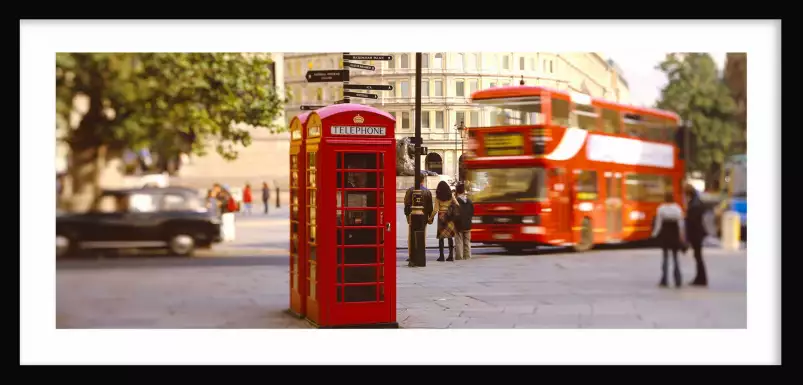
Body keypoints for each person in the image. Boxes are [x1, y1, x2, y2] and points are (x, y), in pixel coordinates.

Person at [651, 192, 686, 288]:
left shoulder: (661, 208)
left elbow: (658, 223)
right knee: (675, 258)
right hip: (674, 234)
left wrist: (654, 234)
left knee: (665, 258)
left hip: (665, 234)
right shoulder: (677, 208)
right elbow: (681, 224)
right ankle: (678, 279)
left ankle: (664, 279)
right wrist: (682, 236)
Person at [403, 174, 434, 265]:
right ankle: (421, 253)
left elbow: (407, 204)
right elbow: (429, 207)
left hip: (412, 216)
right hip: (423, 217)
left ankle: (411, 254)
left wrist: (407, 216)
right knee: (422, 236)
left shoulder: (410, 190)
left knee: (411, 236)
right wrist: (430, 218)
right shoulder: (427, 192)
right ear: (423, 180)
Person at [685, 184, 709, 286]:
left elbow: (693, 221)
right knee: (698, 256)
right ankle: (700, 277)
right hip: (698, 233)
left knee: (698, 257)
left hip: (696, 234)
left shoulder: (694, 205)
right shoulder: (697, 202)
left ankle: (701, 279)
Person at [431, 181, 459, 262]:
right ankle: (450, 256)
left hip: (441, 217)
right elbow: (457, 205)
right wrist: (450, 209)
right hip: (449, 216)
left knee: (441, 237)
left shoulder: (438, 197)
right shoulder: (451, 195)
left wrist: (430, 218)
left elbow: (435, 209)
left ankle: (441, 256)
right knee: (450, 237)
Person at [454, 182, 474, 260]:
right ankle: (467, 256)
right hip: (468, 224)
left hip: (459, 224)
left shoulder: (456, 201)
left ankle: (459, 257)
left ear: (457, 191)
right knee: (467, 242)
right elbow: (472, 212)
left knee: (459, 241)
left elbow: (454, 213)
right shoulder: (469, 201)